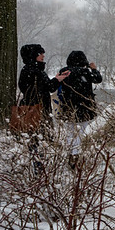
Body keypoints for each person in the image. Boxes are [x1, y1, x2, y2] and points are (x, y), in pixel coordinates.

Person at [17, 44, 70, 174]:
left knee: (33, 139)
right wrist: (57, 80)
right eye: (41, 53)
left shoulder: (26, 70)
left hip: (28, 108)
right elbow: (49, 87)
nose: (43, 55)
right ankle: (39, 170)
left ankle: (38, 167)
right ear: (34, 55)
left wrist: (56, 79)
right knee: (39, 139)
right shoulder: (36, 71)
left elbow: (35, 88)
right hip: (38, 110)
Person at [57, 51, 102, 169]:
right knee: (80, 132)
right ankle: (76, 157)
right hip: (84, 107)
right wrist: (94, 69)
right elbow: (98, 79)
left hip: (68, 107)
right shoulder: (86, 72)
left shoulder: (65, 72)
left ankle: (71, 155)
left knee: (70, 132)